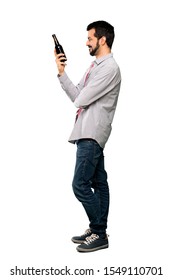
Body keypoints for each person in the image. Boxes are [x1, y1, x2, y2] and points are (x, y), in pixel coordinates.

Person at [54, 20, 121, 252]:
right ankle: (97, 230)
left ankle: (99, 232)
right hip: (86, 132)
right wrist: (62, 73)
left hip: (92, 133)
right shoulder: (95, 66)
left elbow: (80, 99)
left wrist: (80, 95)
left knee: (79, 184)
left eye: (90, 38)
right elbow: (76, 94)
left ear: (102, 39)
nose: (86, 42)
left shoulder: (110, 68)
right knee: (98, 183)